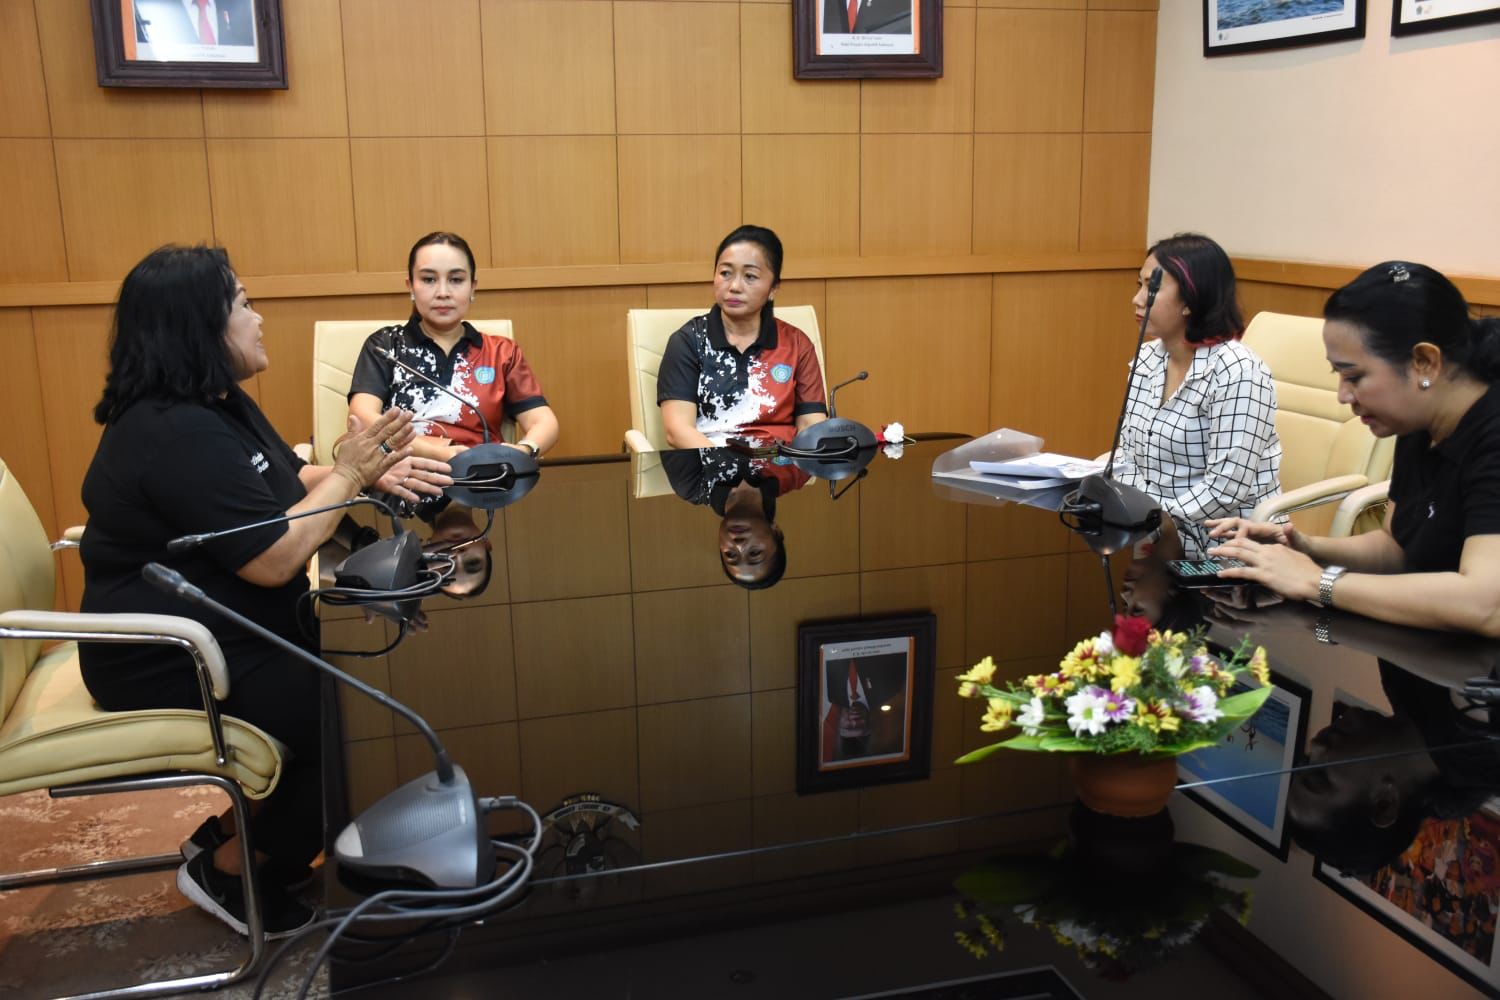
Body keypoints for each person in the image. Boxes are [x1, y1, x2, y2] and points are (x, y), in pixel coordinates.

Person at [77, 245, 451, 938]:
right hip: (160, 652)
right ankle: (232, 868)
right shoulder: (174, 430)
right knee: (349, 718)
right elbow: (273, 559)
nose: (259, 318)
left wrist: (364, 472)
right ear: (200, 325)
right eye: (244, 304)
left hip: (218, 630)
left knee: (345, 677)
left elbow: (284, 485)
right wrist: (350, 475)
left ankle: (232, 832)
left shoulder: (215, 402)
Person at [1208, 262, 1500, 636]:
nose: (1343, 396)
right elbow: (1396, 549)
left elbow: (1484, 604)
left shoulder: (1490, 433)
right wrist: (1305, 548)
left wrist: (1316, 581)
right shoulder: (1418, 421)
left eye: (1355, 376)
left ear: (1425, 362)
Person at [1112, 233, 1281, 558]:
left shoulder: (1239, 371)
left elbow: (1225, 490)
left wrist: (1154, 521)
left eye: (1152, 288)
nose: (1137, 299)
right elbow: (1129, 457)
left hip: (1226, 546)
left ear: (1191, 300)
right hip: (1156, 535)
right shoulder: (1147, 359)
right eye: (1139, 285)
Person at [347, 232, 559, 469]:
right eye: (429, 279)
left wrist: (523, 450)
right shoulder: (385, 346)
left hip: (480, 476)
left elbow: (543, 421)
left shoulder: (501, 352)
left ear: (473, 287)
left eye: (456, 280)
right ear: (410, 287)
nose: (443, 292)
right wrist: (438, 453)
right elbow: (362, 418)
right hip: (402, 474)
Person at [657, 225, 828, 449]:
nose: (734, 286)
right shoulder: (689, 341)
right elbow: (678, 431)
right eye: (725, 273)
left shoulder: (796, 344)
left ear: (773, 288)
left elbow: (811, 426)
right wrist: (727, 463)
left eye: (750, 276)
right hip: (708, 464)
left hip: (781, 465)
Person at [659, 446, 810, 589]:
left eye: (730, 554)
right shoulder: (798, 470)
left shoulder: (693, 485)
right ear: (776, 532)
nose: (739, 545)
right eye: (755, 553)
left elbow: (676, 430)